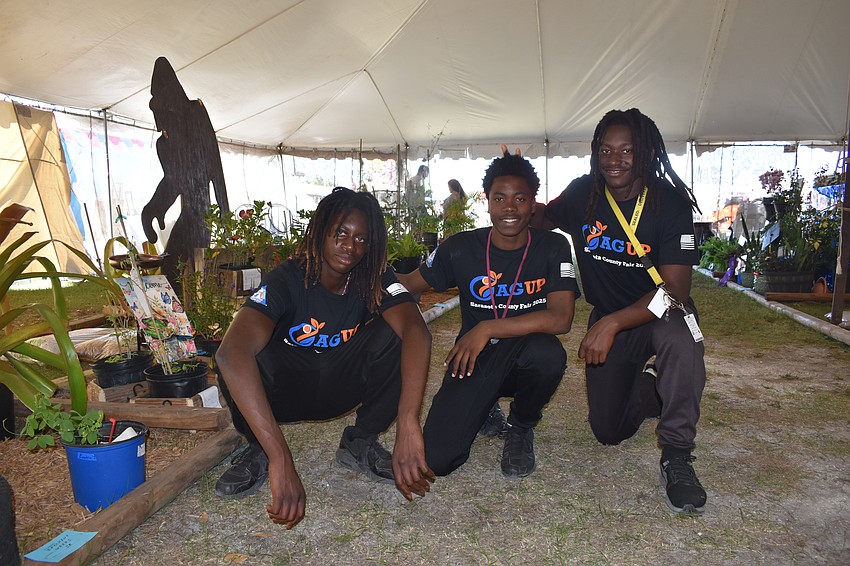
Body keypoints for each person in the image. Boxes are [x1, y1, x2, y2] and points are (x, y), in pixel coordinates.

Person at [214, 187, 435, 529]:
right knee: (237, 351)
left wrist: (408, 421)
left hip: (339, 387)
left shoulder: (372, 277)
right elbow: (231, 353)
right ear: (320, 232)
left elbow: (417, 331)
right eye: (341, 234)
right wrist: (280, 457)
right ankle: (260, 449)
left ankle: (360, 442)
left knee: (398, 332)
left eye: (361, 239)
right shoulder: (288, 278)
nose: (350, 247)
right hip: (284, 394)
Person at [534, 108, 707, 515]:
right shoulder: (584, 193)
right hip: (612, 315)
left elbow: (676, 290)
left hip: (662, 312)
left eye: (627, 150)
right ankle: (653, 389)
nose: (615, 160)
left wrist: (612, 323)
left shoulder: (669, 203)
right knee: (608, 431)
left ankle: (677, 455)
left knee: (682, 339)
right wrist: (519, 190)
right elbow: (543, 218)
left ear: (646, 152)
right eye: (606, 150)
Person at [398, 151, 579, 478]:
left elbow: (561, 318)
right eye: (500, 198)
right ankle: (484, 408)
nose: (510, 208)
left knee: (547, 353)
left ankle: (521, 426)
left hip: (526, 355)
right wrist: (364, 274)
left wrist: (486, 328)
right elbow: (409, 283)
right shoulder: (460, 247)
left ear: (533, 203)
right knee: (438, 459)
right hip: (473, 360)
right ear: (487, 202)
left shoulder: (552, 246)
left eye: (520, 198)